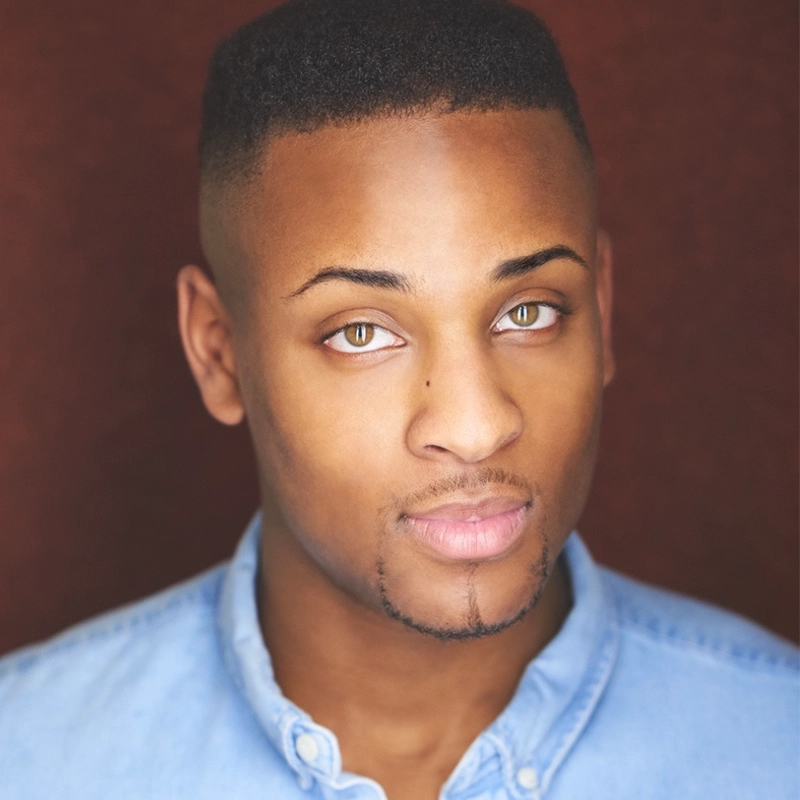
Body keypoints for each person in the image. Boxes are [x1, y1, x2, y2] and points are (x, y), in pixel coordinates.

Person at [0, 0, 796, 797]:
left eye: (529, 312)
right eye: (359, 334)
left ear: (605, 311)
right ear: (218, 352)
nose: (477, 426)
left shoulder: (776, 742)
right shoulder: (30, 757)